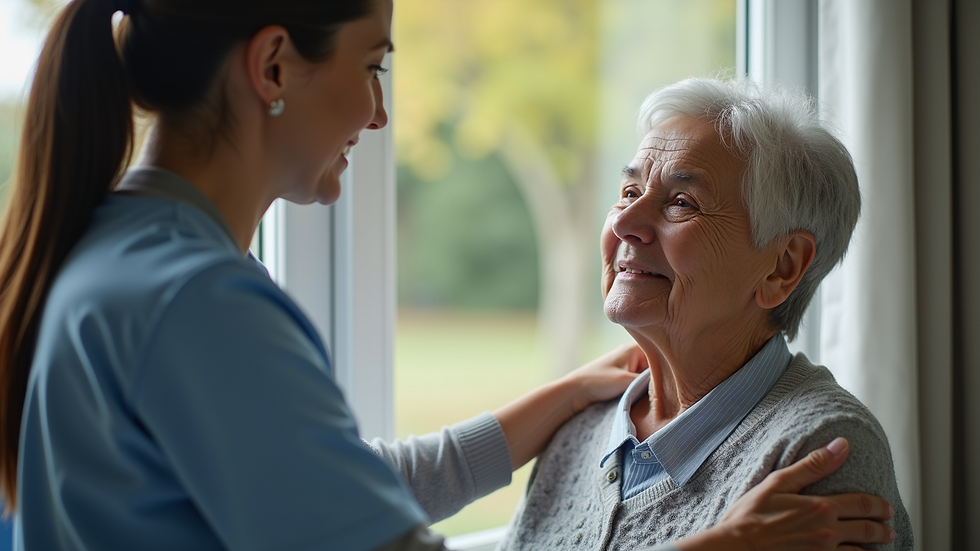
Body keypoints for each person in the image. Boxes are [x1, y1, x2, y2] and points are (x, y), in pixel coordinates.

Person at [0, 1, 895, 549]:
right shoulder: (194, 301)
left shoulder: (118, 250)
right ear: (273, 65)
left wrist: (551, 403)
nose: (382, 111)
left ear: (785, 267)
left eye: (679, 202)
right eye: (372, 64)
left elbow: (335, 482)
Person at [497, 77, 914, 550]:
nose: (623, 223)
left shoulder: (819, 448)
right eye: (630, 192)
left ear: (782, 267)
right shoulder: (581, 423)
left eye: (681, 203)